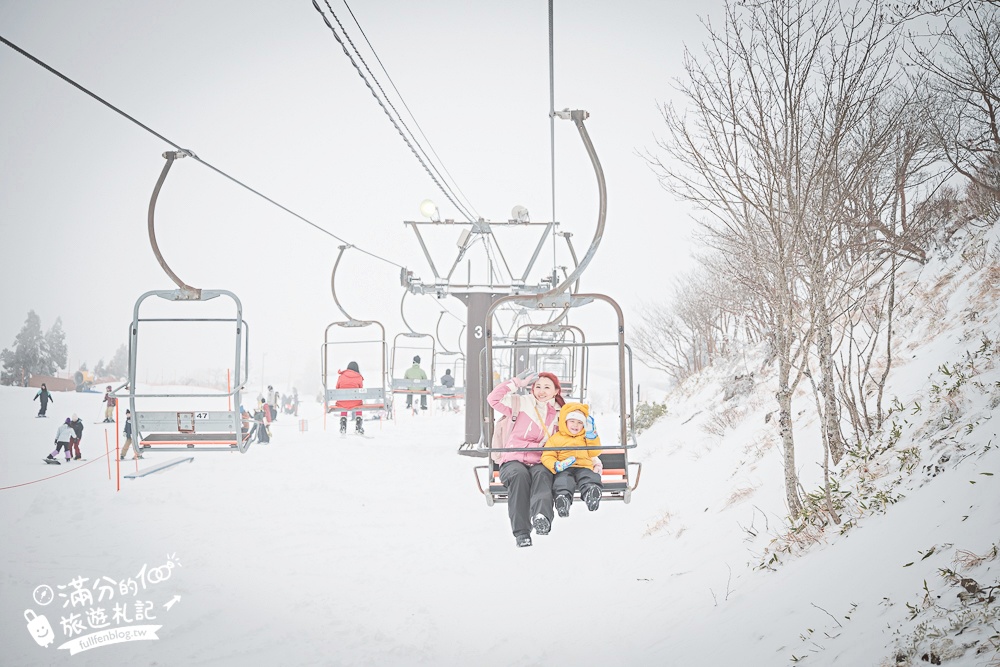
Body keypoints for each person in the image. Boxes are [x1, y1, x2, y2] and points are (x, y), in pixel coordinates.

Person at [487, 370, 564, 548]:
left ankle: (542, 517)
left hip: (541, 460)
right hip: (514, 458)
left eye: (547, 387)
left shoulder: (560, 414)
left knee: (543, 476)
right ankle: (522, 532)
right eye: (538, 386)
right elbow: (493, 400)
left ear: (556, 391)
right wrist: (515, 383)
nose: (541, 391)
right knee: (519, 476)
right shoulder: (520, 403)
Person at [541, 402, 604, 516]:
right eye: (572, 421)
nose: (575, 425)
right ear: (565, 422)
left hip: (584, 467)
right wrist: (556, 465)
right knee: (563, 481)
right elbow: (547, 455)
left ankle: (591, 493)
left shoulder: (586, 437)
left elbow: (595, 452)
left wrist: (592, 437)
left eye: (580, 422)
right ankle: (563, 500)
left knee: (589, 477)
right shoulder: (556, 438)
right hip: (565, 468)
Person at [334, 361, 365, 434]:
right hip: (355, 402)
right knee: (359, 403)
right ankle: (358, 426)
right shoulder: (359, 377)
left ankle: (343, 425)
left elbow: (337, 388)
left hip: (342, 402)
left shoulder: (341, 376)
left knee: (343, 401)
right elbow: (361, 390)